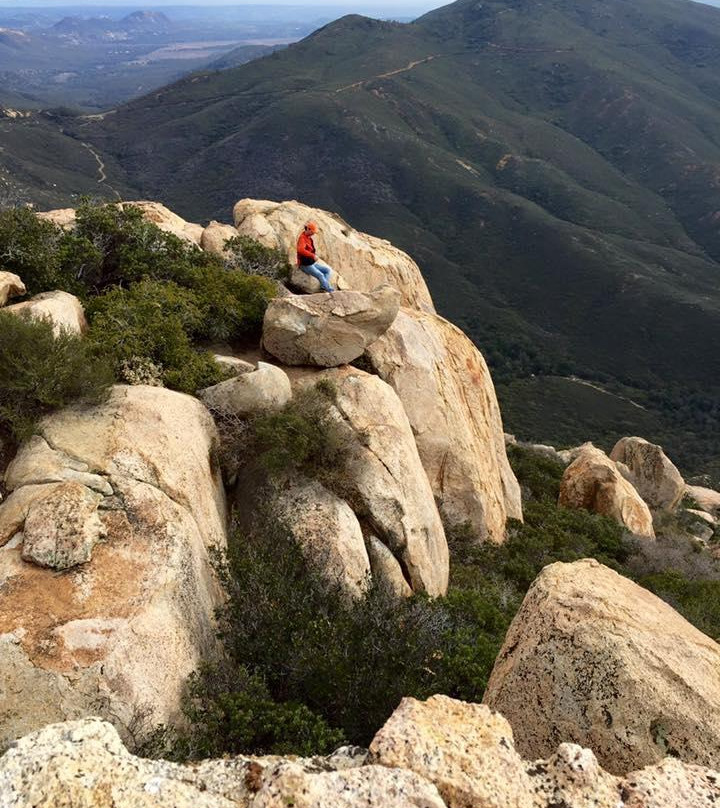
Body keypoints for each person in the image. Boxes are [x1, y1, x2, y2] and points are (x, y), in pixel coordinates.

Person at [296, 221, 335, 292]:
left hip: (310, 263)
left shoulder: (309, 238)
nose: (313, 234)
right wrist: (313, 255)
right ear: (308, 229)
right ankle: (329, 290)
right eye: (312, 232)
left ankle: (323, 286)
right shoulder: (302, 238)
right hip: (304, 264)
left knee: (327, 270)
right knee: (320, 275)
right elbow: (300, 250)